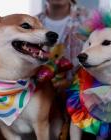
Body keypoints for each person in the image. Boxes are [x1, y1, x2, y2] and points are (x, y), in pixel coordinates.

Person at [37, 0, 89, 139]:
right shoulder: (33, 23)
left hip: (80, 98)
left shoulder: (88, 20)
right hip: (41, 99)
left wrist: (72, 83)